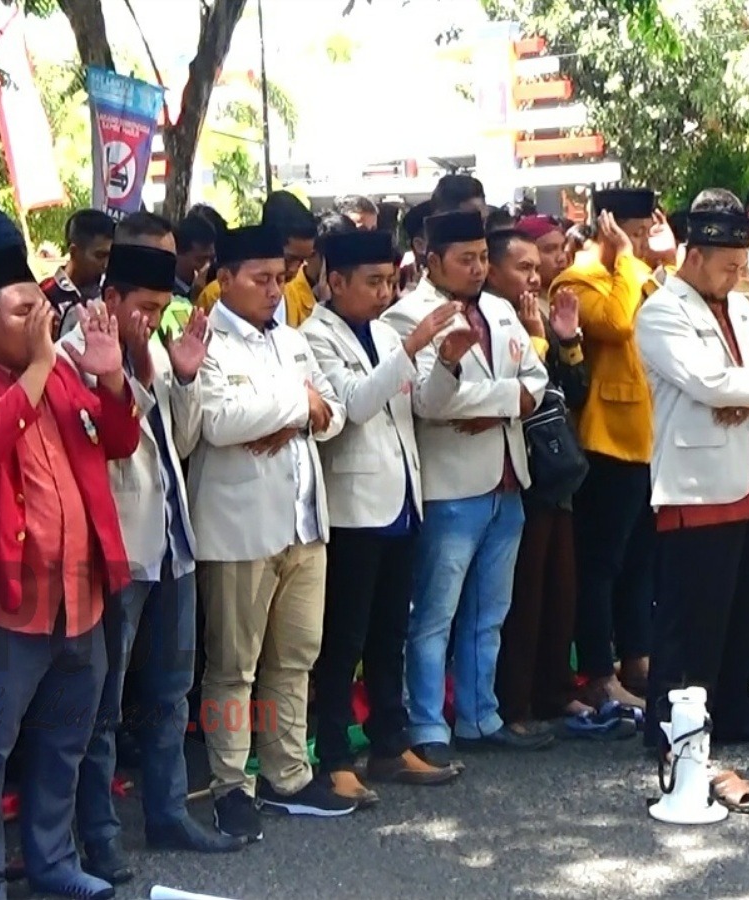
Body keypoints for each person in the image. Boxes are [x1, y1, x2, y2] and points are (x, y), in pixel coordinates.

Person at [0, 208, 140, 900]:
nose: (41, 319)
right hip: (1, 601)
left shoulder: (67, 370)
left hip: (81, 596)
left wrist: (110, 381)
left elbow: (119, 441)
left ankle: (53, 863)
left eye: (41, 306)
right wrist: (45, 365)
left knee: (65, 743)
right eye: (23, 311)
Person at [67, 243, 242, 886]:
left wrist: (185, 376)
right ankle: (99, 835)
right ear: (109, 300)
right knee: (102, 704)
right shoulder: (77, 357)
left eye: (161, 308)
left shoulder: (158, 355)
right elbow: (110, 446)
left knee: (171, 694)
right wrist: (129, 371)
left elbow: (185, 440)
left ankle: (169, 813)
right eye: (143, 307)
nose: (152, 319)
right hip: (119, 551)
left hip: (173, 542)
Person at [192, 223, 350, 841]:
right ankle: (230, 784)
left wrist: (293, 412)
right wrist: (297, 405)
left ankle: (288, 774)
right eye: (260, 279)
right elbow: (221, 422)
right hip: (239, 530)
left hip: (304, 522)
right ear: (223, 279)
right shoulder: (206, 342)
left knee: (296, 657)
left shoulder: (291, 339)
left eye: (280, 278)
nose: (274, 289)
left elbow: (333, 412)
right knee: (233, 665)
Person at [300, 229, 463, 802]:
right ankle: (335, 754)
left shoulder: (388, 333)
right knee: (343, 638)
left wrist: (445, 364)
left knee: (390, 632)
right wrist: (414, 346)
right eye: (373, 282)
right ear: (335, 281)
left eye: (391, 281)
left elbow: (422, 406)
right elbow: (355, 405)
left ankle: (390, 743)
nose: (384, 292)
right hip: (352, 507)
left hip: (401, 500)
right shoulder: (313, 337)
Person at [636, 189, 749, 750]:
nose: (734, 277)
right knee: (691, 616)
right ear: (695, 255)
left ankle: (736, 715)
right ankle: (672, 726)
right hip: (698, 484)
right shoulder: (661, 309)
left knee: (743, 614)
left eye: (740, 267)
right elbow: (706, 381)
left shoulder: (741, 305)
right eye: (727, 266)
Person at [385, 211, 552, 758]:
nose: (479, 268)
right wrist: (508, 403)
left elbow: (537, 380)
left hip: (508, 478)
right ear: (432, 261)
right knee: (434, 613)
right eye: (466, 258)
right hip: (450, 488)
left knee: (490, 612)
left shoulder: (501, 310)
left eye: (483, 257)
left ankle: (481, 716)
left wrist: (498, 405)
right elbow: (430, 403)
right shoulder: (406, 319)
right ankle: (428, 724)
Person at [550, 188, 675, 709]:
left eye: (647, 232)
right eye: (634, 231)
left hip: (650, 438)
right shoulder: (578, 279)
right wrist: (625, 258)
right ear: (607, 227)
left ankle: (637, 657)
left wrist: (662, 261)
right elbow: (620, 323)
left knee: (640, 560)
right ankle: (600, 671)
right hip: (605, 439)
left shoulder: (641, 275)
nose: (642, 241)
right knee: (600, 565)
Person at [488, 228, 597, 734]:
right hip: (519, 469)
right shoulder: (489, 317)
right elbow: (516, 388)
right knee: (524, 591)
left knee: (561, 587)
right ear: (491, 270)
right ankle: (517, 700)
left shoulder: (540, 312)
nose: (534, 276)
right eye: (523, 267)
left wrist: (567, 337)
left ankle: (556, 688)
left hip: (559, 468)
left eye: (538, 267)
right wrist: (534, 340)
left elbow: (573, 390)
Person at [42, 210, 114, 323]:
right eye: (100, 256)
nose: (106, 264)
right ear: (74, 252)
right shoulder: (46, 296)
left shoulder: (111, 290)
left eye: (110, 256)